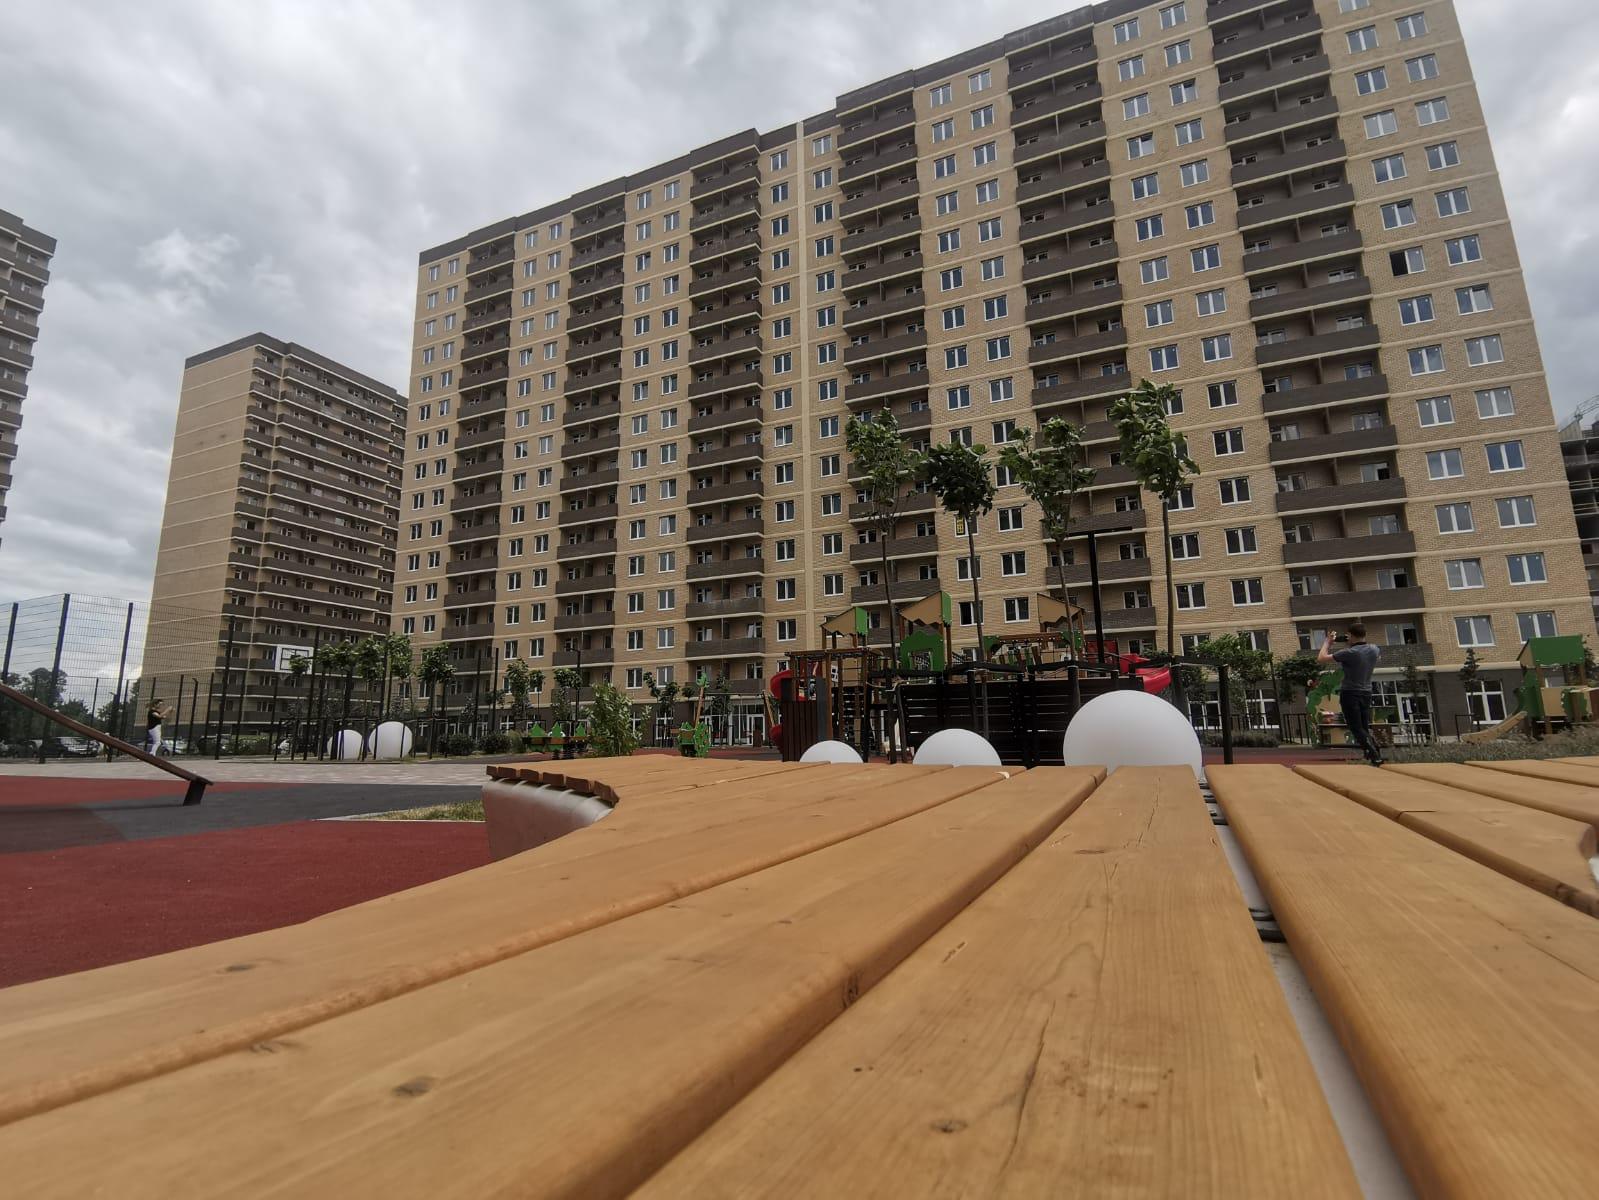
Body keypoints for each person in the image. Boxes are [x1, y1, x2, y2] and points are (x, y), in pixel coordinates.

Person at [1319, 622, 1383, 765]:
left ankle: (1374, 754)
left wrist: (1327, 642)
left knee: (1355, 727)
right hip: (1366, 692)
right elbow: (1377, 658)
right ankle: (1374, 753)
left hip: (1350, 693)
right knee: (1364, 726)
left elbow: (1321, 658)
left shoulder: (1349, 653)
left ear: (1350, 635)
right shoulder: (1374, 649)